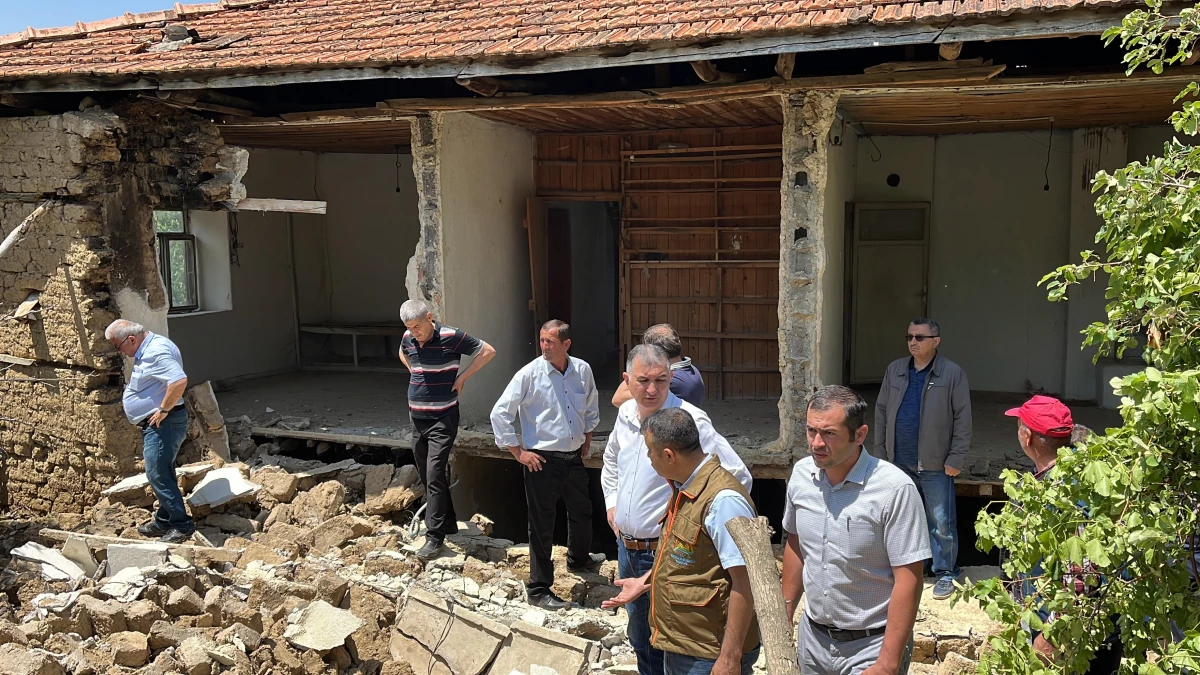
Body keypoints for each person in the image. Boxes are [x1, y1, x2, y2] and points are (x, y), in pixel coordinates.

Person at [602, 344, 751, 675]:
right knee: (641, 637)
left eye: (662, 380)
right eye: (643, 381)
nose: (653, 389)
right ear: (627, 380)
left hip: (667, 550)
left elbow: (736, 477)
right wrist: (612, 501)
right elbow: (611, 459)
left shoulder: (689, 421)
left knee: (672, 644)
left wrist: (689, 521)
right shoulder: (626, 414)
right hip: (626, 547)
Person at [783, 385, 930, 675]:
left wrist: (887, 663)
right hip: (813, 641)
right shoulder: (801, 476)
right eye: (811, 431)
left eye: (829, 433)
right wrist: (784, 613)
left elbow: (909, 578)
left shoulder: (894, 490)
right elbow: (796, 543)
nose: (816, 443)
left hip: (871, 647)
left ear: (859, 435)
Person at [1005, 396, 1123, 674]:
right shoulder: (1090, 475)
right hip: (1089, 631)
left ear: (1027, 436)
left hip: (1071, 640)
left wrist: (1051, 635)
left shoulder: (1064, 496)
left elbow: (1082, 575)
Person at [490, 320, 602, 611]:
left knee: (583, 511)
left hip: (574, 457)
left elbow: (590, 406)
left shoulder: (582, 370)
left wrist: (587, 439)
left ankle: (578, 560)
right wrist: (518, 452)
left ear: (566, 344)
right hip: (542, 461)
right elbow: (500, 413)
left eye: (550, 341)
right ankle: (539, 588)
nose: (544, 346)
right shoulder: (529, 374)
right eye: (541, 340)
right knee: (541, 524)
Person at [873, 317, 971, 600]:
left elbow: (963, 418)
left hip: (935, 463)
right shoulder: (895, 370)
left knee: (940, 521)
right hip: (898, 463)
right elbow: (881, 412)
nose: (913, 342)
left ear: (936, 341)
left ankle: (945, 573)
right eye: (909, 337)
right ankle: (908, 571)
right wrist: (881, 454)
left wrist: (956, 456)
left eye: (920, 337)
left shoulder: (952, 374)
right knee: (901, 520)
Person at [398, 299, 496, 561]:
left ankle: (434, 536)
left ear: (429, 317)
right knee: (428, 474)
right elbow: (403, 352)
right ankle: (449, 521)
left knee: (434, 471)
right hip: (416, 418)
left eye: (417, 326)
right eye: (409, 327)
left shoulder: (451, 336)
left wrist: (462, 377)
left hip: (443, 418)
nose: (414, 332)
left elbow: (487, 351)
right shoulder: (408, 337)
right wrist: (415, 373)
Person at [107, 319, 195, 544]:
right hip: (161, 423)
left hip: (164, 423)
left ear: (132, 339)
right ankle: (164, 520)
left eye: (119, 347)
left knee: (157, 472)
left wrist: (164, 410)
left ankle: (181, 525)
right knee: (162, 470)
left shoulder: (155, 352)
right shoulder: (152, 347)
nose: (121, 353)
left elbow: (178, 381)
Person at [611, 324, 704, 407]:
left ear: (656, 353)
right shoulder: (691, 369)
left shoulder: (670, 381)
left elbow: (618, 399)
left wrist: (637, 368)